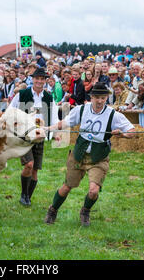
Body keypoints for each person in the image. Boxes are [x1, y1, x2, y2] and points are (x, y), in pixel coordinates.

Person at [43, 83, 135, 226]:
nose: (99, 101)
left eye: (103, 98)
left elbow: (132, 132)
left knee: (93, 191)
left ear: (107, 98)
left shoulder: (114, 115)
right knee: (66, 187)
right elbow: (64, 123)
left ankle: (85, 211)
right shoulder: (81, 110)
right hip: (79, 154)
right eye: (97, 97)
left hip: (99, 157)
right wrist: (48, 129)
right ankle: (53, 210)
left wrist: (122, 134)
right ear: (91, 97)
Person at [9, 67, 58, 207]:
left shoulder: (49, 97)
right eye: (37, 78)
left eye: (42, 79)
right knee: (29, 165)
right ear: (32, 79)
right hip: (24, 136)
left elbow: (54, 117)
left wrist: (55, 133)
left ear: (45, 81)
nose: (39, 81)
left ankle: (27, 197)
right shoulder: (22, 94)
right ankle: (24, 194)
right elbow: (11, 111)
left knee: (35, 170)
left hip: (39, 136)